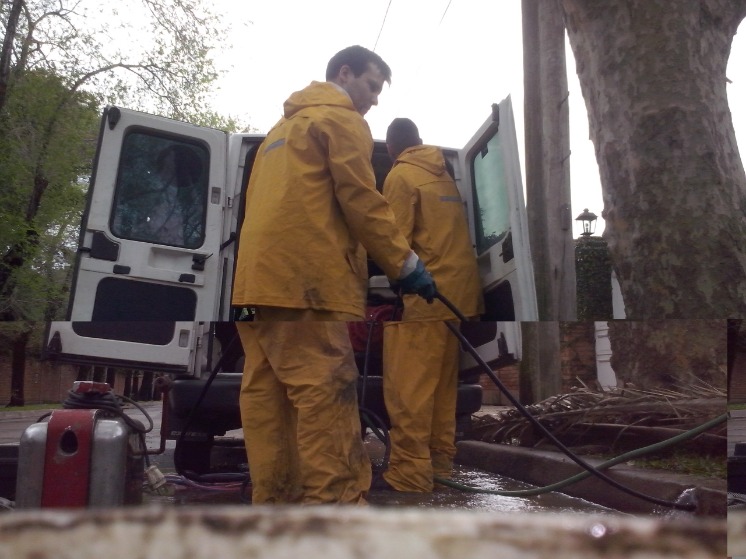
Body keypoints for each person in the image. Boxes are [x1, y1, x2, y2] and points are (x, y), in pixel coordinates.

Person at [231, 46, 436, 504]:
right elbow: (361, 199)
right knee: (326, 390)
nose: (375, 101)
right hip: (302, 287)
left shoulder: (280, 130)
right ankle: (336, 514)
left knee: (268, 397)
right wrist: (405, 264)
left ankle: (278, 510)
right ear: (345, 73)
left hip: (252, 289)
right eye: (371, 86)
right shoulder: (340, 120)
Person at [378, 117, 484, 492]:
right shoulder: (443, 174)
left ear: (391, 149)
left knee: (412, 394)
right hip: (458, 298)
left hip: (428, 298)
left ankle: (410, 476)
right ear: (418, 141)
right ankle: (440, 468)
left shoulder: (400, 176)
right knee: (441, 394)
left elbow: (395, 243)